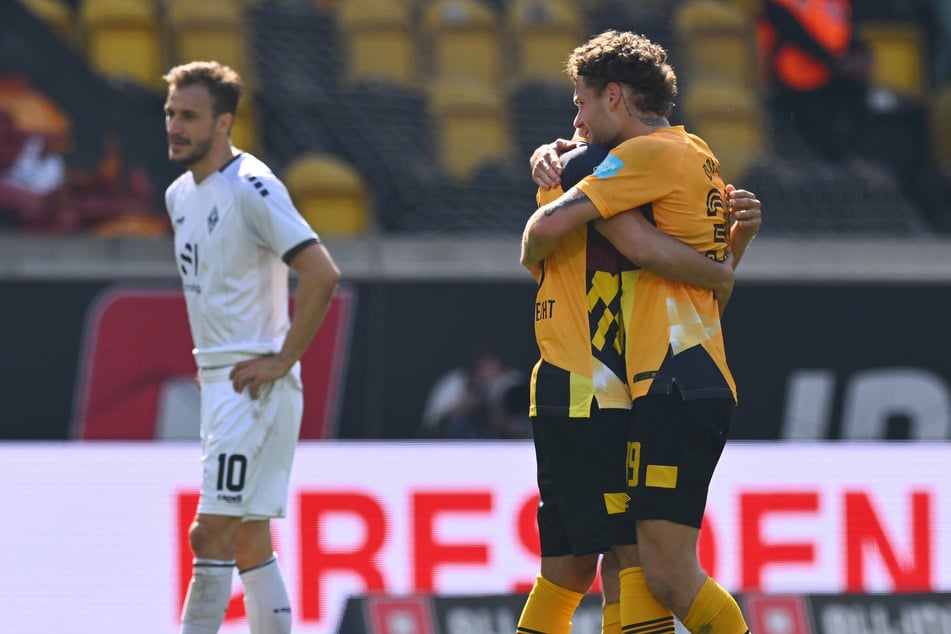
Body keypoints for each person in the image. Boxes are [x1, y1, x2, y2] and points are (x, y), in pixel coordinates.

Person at [519, 31, 758, 634]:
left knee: (651, 569)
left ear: (615, 97)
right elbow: (703, 281)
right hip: (644, 380)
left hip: (633, 384)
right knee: (620, 560)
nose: (574, 119)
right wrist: (730, 257)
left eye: (581, 103)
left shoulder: (635, 161)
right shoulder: (696, 151)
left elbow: (555, 237)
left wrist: (568, 180)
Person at [163, 61, 341, 634]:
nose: (174, 125)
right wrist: (212, 363)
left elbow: (321, 273)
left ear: (223, 123)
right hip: (223, 378)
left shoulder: (252, 187)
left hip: (254, 385)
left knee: (207, 531)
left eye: (188, 116)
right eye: (170, 113)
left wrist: (283, 359)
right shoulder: (178, 195)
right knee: (246, 537)